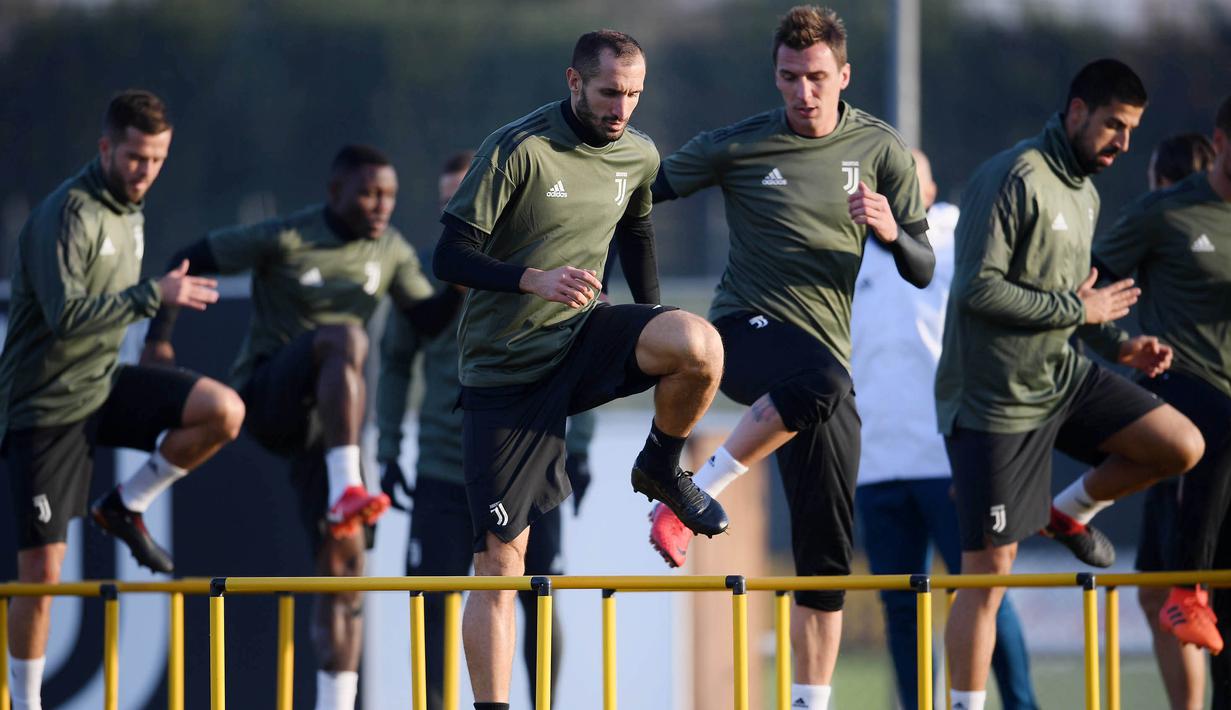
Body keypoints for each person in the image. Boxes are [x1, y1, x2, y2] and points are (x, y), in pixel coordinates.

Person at [646, 7, 934, 708]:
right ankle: (690, 494)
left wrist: (894, 231)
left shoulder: (881, 149)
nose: (802, 93)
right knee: (824, 379)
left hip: (821, 377)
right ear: (774, 76)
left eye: (814, 78)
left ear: (842, 76)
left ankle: (809, 702)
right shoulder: (739, 145)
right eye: (787, 77)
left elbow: (922, 268)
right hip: (743, 335)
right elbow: (638, 191)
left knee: (826, 559)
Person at [432, 30, 728, 710]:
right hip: (505, 373)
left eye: (631, 93)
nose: (620, 106)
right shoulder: (518, 149)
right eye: (607, 92)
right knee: (503, 563)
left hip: (582, 338)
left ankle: (660, 466)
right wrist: (529, 279)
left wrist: (647, 321)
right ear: (573, 82)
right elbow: (448, 257)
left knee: (697, 344)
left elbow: (637, 230)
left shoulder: (641, 153)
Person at [143, 144, 459, 710]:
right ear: (334, 192)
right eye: (367, 193)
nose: (380, 205)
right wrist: (159, 336)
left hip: (330, 430)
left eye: (388, 194)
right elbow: (188, 255)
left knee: (344, 569)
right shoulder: (288, 237)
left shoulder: (390, 251)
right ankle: (347, 489)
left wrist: (463, 277)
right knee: (347, 339)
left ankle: (335, 703)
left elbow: (430, 322)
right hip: (269, 398)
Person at [934, 59, 1206, 710]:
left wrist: (1120, 345)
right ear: (1077, 111)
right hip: (992, 400)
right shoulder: (1012, 176)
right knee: (987, 577)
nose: (1122, 143)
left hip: (1062, 376)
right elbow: (976, 291)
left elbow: (1068, 302)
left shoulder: (1083, 193)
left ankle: (1070, 510)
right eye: (1113, 125)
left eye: (1131, 131)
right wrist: (1079, 314)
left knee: (1178, 444)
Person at [0, 90, 245, 710]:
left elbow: (116, 314)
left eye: (157, 160)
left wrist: (151, 344)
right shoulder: (70, 214)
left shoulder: (130, 213)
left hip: (104, 382)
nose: (146, 171)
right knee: (43, 578)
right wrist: (152, 298)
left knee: (225, 411)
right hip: (45, 405)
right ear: (106, 147)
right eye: (136, 157)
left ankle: (124, 503)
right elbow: (65, 319)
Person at [376, 150, 597, 709]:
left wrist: (583, 448)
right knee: (432, 603)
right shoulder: (427, 279)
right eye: (452, 197)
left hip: (530, 462)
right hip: (443, 472)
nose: (462, 205)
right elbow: (395, 364)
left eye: (469, 194)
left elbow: (585, 358)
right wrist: (386, 450)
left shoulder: (541, 273)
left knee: (537, 597)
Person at [851, 149, 1038, 710]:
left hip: (949, 457)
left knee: (982, 595)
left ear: (931, 189)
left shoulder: (960, 244)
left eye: (910, 179)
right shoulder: (846, 257)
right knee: (900, 609)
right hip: (876, 465)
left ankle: (1021, 704)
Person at [1098, 102, 1231, 661]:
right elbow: (1087, 283)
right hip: (1179, 382)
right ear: (1221, 141)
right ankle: (1185, 587)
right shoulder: (1167, 211)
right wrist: (1120, 345)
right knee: (1223, 422)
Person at [1124, 132, 1216, 709]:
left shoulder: (1179, 231)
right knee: (1161, 594)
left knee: (1185, 591)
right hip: (1171, 432)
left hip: (1196, 433)